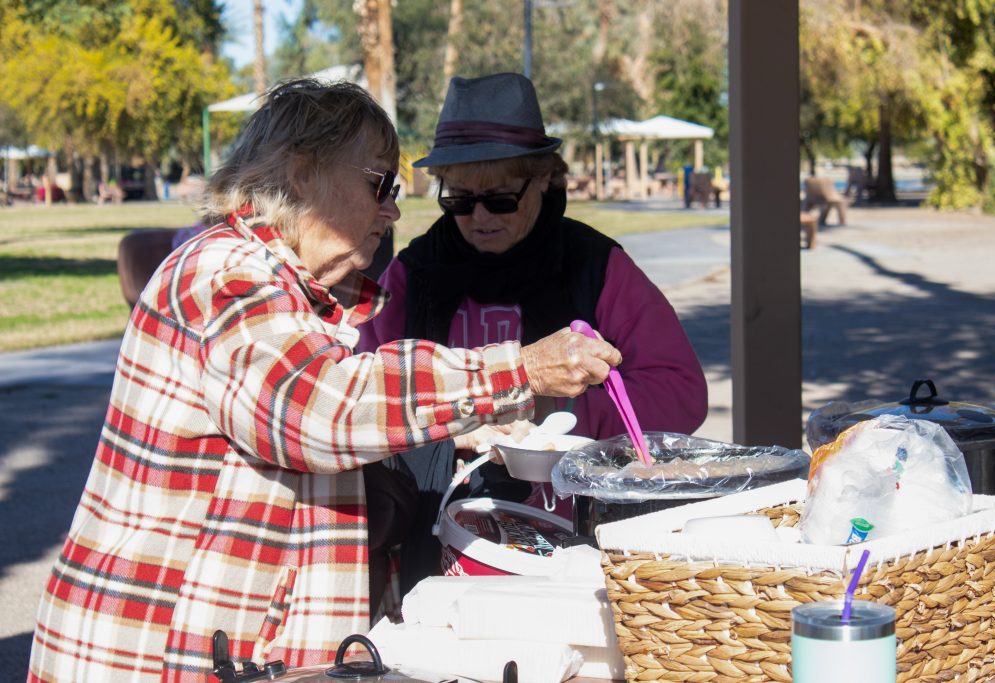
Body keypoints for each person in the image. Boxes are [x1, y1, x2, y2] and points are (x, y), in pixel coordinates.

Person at [26, 78, 622, 682]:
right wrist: (520, 367)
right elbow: (319, 408)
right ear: (303, 173)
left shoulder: (290, 291)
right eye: (380, 184)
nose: (391, 209)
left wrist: (449, 433)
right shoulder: (225, 273)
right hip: (153, 652)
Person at [356, 72, 708, 595]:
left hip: (576, 538)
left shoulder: (593, 265)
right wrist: (454, 423)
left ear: (544, 178)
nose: (477, 217)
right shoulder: (418, 272)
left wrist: (555, 416)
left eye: (499, 199)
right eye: (458, 199)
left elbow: (680, 390)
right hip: (440, 539)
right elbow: (362, 388)